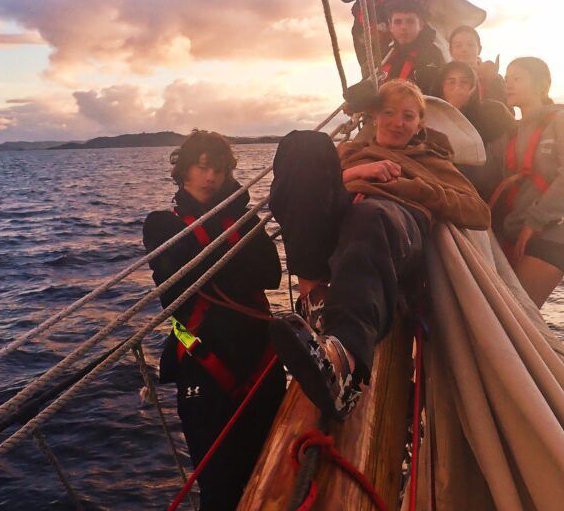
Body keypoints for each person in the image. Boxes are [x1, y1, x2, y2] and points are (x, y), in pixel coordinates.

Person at [268, 80, 490, 420]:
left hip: (395, 225)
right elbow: (301, 193)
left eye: (408, 116)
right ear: (373, 116)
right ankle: (314, 296)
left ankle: (345, 363)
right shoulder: (349, 153)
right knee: (304, 145)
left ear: (420, 125)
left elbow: (478, 212)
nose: (397, 122)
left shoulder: (432, 159)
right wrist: (359, 172)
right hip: (345, 219)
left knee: (370, 214)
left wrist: (401, 185)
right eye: (388, 113)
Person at [143, 130, 285, 511]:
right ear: (184, 171)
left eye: (219, 170)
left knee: (277, 471)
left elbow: (270, 274)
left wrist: (229, 224)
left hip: (262, 361)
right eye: (201, 168)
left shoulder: (243, 219)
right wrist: (231, 257)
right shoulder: (161, 224)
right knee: (220, 488)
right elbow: (175, 294)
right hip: (204, 366)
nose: (210, 178)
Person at [490, 58, 564, 308]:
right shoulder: (514, 132)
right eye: (507, 78)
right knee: (504, 313)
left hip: (553, 233)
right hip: (517, 232)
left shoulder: (563, 122)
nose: (508, 84)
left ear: (542, 85)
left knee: (516, 314)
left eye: (517, 78)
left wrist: (535, 221)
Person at [434, 60, 515, 198]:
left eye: (464, 82)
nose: (457, 88)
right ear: (441, 87)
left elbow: (490, 168)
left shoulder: (493, 112)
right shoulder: (431, 117)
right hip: (447, 195)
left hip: (490, 193)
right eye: (451, 82)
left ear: (474, 86)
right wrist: (453, 109)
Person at [448, 25, 504, 103]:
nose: (464, 49)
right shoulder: (444, 80)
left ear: (479, 49)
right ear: (450, 51)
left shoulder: (493, 78)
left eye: (470, 45)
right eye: (458, 46)